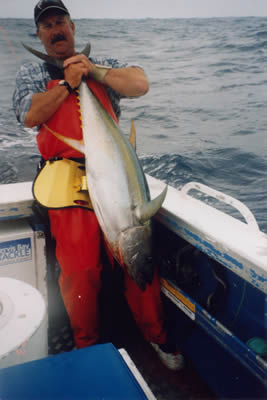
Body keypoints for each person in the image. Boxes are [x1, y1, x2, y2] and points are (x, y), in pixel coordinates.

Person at [13, 0, 184, 371]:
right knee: (79, 271)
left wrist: (93, 73)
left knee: (140, 262)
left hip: (114, 174)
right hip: (66, 180)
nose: (56, 29)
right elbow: (29, 114)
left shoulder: (99, 64)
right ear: (40, 35)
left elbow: (140, 83)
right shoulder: (30, 72)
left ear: (73, 27)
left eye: (61, 21)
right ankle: (85, 348)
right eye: (47, 25)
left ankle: (156, 336)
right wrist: (67, 83)